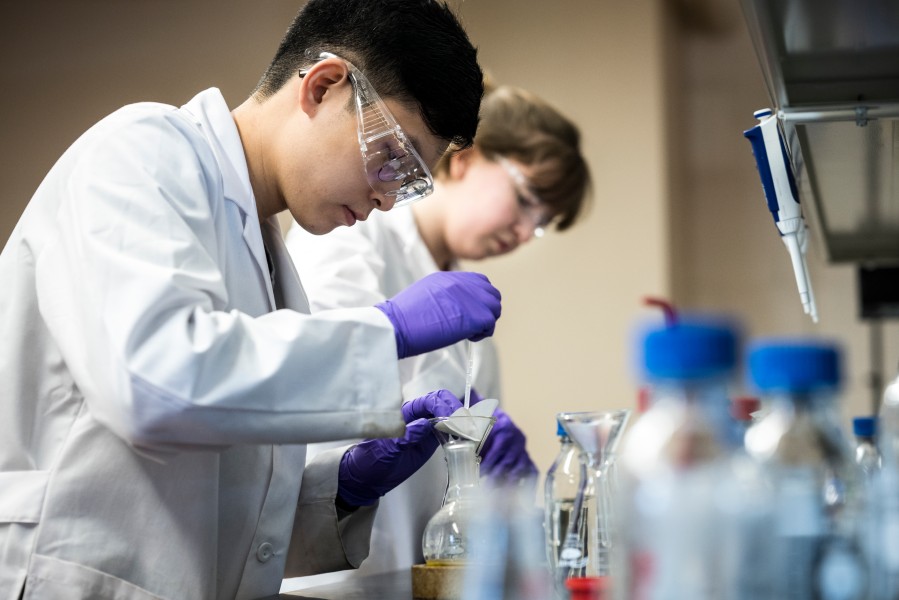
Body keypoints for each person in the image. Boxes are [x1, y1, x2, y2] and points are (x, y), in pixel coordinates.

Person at [0, 1, 492, 599]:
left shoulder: (265, 254)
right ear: (323, 85)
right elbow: (153, 383)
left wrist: (339, 490)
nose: (388, 200)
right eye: (393, 157)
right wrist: (384, 329)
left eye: (409, 181)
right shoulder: (142, 151)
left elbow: (219, 516)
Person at [283, 83, 591, 587]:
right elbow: (308, 383)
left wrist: (492, 471)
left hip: (416, 574)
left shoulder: (472, 311)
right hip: (322, 569)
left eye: (541, 224)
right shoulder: (353, 233)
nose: (523, 231)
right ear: (466, 159)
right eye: (525, 200)